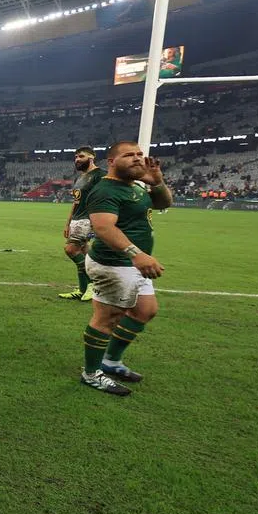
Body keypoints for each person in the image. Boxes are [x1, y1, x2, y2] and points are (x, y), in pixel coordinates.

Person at [79, 141, 172, 396]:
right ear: (111, 161)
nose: (137, 159)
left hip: (133, 263)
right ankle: (91, 373)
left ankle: (111, 361)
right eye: (128, 155)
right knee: (107, 318)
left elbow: (163, 204)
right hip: (113, 263)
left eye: (140, 154)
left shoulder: (137, 185)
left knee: (145, 310)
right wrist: (137, 254)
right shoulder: (105, 190)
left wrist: (157, 181)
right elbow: (103, 228)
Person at [58, 147, 103, 301]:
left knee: (70, 249)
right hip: (77, 219)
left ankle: (93, 285)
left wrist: (95, 221)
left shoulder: (100, 175)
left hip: (88, 219)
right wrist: (68, 223)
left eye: (81, 156)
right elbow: (75, 203)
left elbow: (103, 198)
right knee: (83, 253)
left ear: (91, 158)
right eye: (76, 157)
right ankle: (82, 289)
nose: (77, 159)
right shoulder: (80, 178)